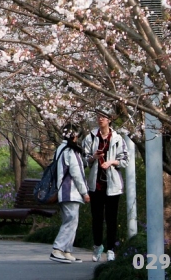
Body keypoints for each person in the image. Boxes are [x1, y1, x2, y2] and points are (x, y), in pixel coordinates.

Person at [82, 110, 129, 262]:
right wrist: (93, 158)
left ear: (110, 120)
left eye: (104, 117)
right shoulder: (90, 137)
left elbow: (125, 160)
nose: (100, 119)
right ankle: (97, 246)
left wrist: (112, 162)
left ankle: (111, 249)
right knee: (96, 218)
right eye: (99, 116)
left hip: (113, 185)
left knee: (111, 219)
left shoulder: (117, 138)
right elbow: (83, 159)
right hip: (96, 185)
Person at [50, 123, 90, 264]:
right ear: (74, 136)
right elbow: (77, 173)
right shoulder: (70, 151)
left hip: (62, 191)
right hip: (70, 191)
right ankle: (58, 249)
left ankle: (67, 251)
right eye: (77, 135)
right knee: (70, 221)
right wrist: (85, 192)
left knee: (72, 221)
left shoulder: (60, 148)